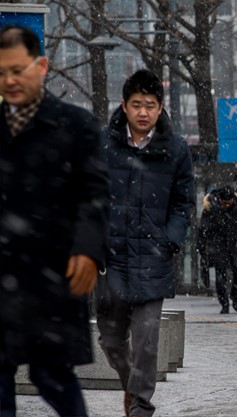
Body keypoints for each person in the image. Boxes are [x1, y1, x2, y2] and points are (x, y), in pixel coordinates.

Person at [0, 26, 110, 417]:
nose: (9, 81)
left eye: (17, 70)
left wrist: (88, 249)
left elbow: (94, 194)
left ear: (42, 66)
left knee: (53, 376)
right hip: (2, 274)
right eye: (1, 72)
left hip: (53, 273)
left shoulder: (76, 126)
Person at [96, 69, 195, 417]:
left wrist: (171, 239)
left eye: (150, 105)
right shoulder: (102, 144)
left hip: (154, 258)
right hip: (111, 259)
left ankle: (141, 405)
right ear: (124, 105)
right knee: (111, 341)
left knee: (147, 337)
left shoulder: (176, 149)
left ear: (160, 107)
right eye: (136, 104)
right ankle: (131, 384)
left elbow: (183, 203)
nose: (143, 112)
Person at [198, 185, 237, 314]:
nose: (227, 205)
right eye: (225, 203)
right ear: (219, 199)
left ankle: (234, 295)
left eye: (229, 202)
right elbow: (203, 229)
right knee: (220, 276)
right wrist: (203, 248)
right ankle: (224, 303)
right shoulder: (210, 207)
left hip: (235, 243)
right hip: (218, 244)